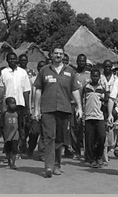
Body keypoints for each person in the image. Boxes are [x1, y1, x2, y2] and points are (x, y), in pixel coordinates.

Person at [33, 45, 83, 178]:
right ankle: (49, 166)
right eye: (55, 53)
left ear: (64, 55)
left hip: (64, 109)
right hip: (48, 109)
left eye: (60, 53)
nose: (58, 56)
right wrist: (36, 109)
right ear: (51, 55)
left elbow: (75, 90)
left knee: (60, 139)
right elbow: (38, 90)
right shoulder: (44, 70)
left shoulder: (70, 72)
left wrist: (79, 107)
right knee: (49, 137)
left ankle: (57, 165)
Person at [1, 52, 31, 155]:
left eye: (14, 59)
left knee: (20, 128)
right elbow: (2, 90)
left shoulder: (23, 72)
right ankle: (7, 147)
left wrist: (27, 107)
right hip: (7, 105)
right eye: (10, 59)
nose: (12, 61)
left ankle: (17, 149)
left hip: (20, 104)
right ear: (7, 60)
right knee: (8, 127)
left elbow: (26, 90)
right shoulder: (3, 73)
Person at [83, 68, 106, 168]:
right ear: (90, 76)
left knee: (101, 137)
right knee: (89, 140)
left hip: (99, 117)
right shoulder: (86, 88)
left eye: (97, 76)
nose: (95, 78)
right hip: (88, 117)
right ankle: (91, 159)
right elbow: (82, 100)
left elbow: (106, 102)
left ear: (99, 77)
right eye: (93, 76)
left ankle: (99, 156)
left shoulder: (102, 89)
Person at [71, 54, 90, 161]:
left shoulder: (89, 76)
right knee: (74, 129)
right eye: (80, 61)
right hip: (73, 105)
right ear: (77, 62)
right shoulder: (73, 75)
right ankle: (76, 151)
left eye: (83, 61)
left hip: (86, 106)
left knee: (85, 130)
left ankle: (87, 152)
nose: (81, 63)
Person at [27, 60, 46, 160]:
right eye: (40, 67)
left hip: (46, 110)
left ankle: (42, 153)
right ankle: (30, 148)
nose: (42, 69)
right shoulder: (33, 80)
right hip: (35, 110)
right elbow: (30, 96)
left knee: (44, 133)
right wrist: (31, 110)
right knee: (34, 131)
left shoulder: (48, 80)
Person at [99, 59, 117, 165]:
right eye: (105, 66)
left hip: (113, 106)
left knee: (111, 129)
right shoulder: (100, 78)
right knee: (103, 129)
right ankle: (103, 155)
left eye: (109, 66)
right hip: (101, 106)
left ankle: (110, 146)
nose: (107, 68)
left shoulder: (116, 79)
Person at [0, 97, 20, 170]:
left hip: (15, 135)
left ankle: (13, 163)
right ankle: (9, 162)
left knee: (14, 148)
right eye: (12, 103)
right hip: (7, 135)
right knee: (8, 149)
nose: (14, 105)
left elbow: (20, 124)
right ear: (7, 105)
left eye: (15, 103)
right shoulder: (5, 114)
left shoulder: (17, 114)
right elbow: (1, 125)